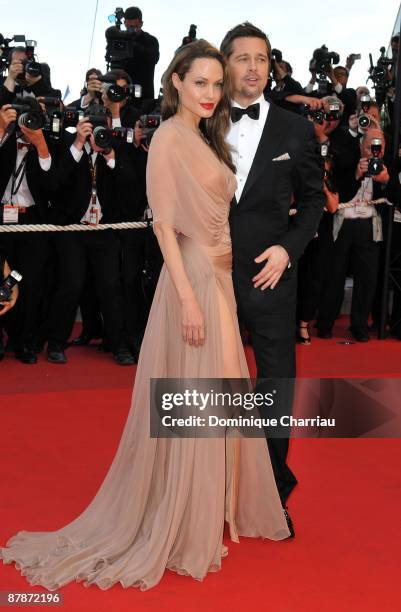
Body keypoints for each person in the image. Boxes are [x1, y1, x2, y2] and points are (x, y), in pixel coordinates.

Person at [0, 40, 291, 592]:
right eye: (198, 82)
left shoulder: (207, 135)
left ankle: (204, 508)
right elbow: (162, 227)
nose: (208, 93)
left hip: (221, 282)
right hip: (195, 282)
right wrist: (185, 299)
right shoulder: (169, 138)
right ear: (175, 82)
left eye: (214, 83)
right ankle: (180, 515)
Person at [221, 23, 325, 507]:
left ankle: (271, 490)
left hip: (271, 273)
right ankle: (208, 488)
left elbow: (311, 205)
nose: (254, 68)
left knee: (276, 379)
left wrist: (288, 250)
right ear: (225, 64)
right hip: (213, 272)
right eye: (244, 58)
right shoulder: (200, 122)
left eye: (262, 59)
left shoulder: (296, 128)